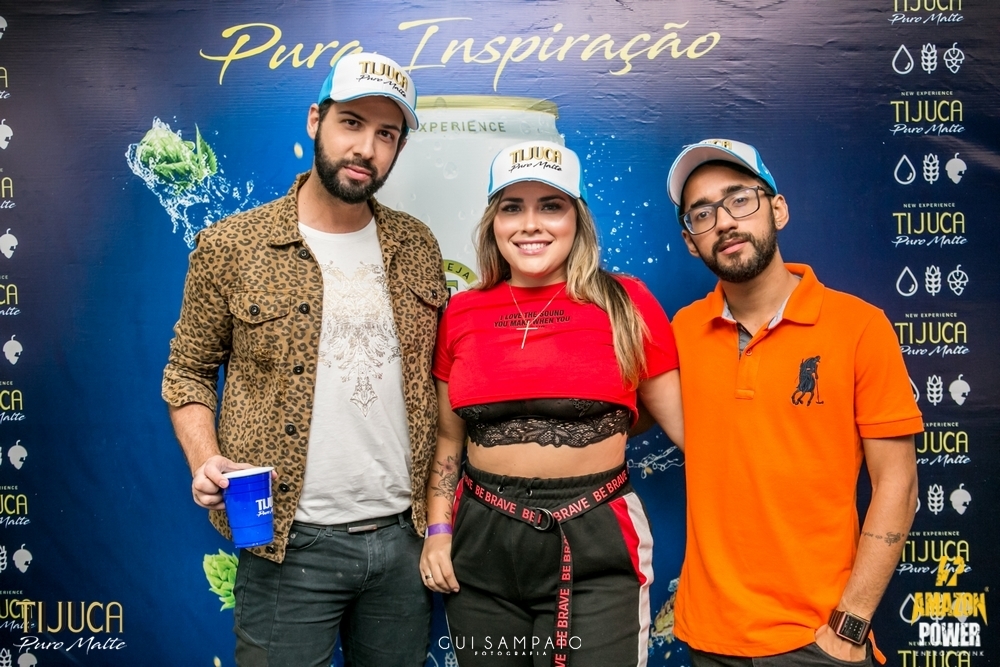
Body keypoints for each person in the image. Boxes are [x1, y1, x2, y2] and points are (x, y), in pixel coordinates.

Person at [162, 51, 446, 666]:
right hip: (286, 545)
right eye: (351, 123)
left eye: (387, 134)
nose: (366, 148)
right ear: (316, 120)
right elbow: (187, 370)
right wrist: (205, 459)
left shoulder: (417, 245)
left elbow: (442, 382)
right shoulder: (233, 245)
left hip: (405, 542)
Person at [420, 139, 683, 667]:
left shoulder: (627, 302)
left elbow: (686, 429)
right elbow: (449, 439)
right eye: (512, 208)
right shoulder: (461, 312)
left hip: (596, 542)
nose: (530, 225)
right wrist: (439, 531)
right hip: (481, 545)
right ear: (493, 222)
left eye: (551, 206)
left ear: (576, 219)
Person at [665, 139, 921, 666]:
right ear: (691, 241)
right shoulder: (682, 332)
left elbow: (898, 484)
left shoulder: (860, 327)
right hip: (709, 636)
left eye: (740, 200)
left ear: (777, 209)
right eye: (702, 214)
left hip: (817, 639)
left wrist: (850, 625)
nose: (724, 222)